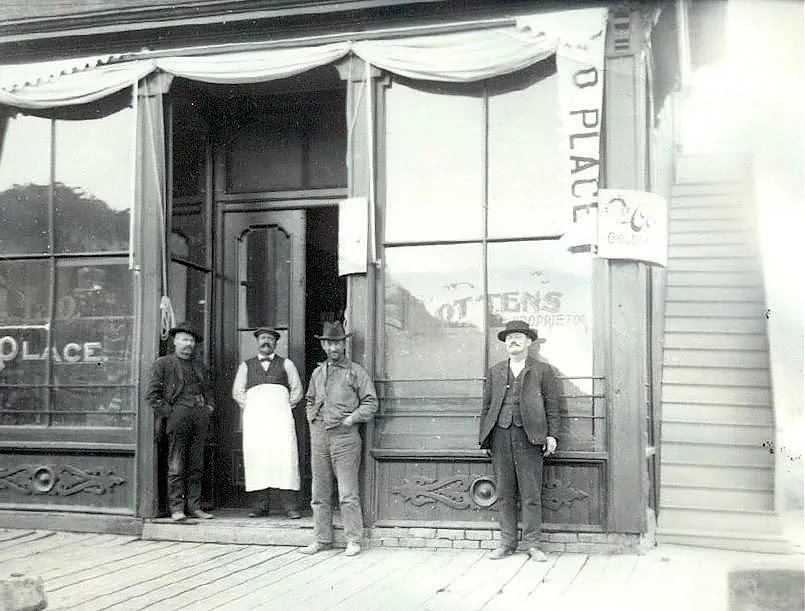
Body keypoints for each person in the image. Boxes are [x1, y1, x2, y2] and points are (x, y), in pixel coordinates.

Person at [479, 319, 560, 561]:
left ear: (529, 341)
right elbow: (486, 407)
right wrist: (484, 439)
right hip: (500, 436)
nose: (512, 340)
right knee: (504, 492)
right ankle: (507, 542)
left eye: (518, 336)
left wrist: (552, 435)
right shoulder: (495, 371)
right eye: (509, 337)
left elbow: (552, 406)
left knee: (530, 493)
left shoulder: (542, 371)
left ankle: (533, 544)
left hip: (530, 437)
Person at [300, 321, 378, 557]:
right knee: (319, 493)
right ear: (324, 345)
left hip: (345, 438)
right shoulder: (317, 372)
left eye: (338, 343)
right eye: (330, 343)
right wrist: (312, 419)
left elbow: (371, 402)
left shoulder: (356, 371)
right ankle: (322, 539)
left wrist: (352, 418)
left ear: (344, 344)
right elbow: (310, 399)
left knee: (347, 493)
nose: (334, 348)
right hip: (320, 437)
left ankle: (353, 540)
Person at [231, 327, 304, 519]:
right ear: (257, 341)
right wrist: (254, 408)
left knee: (284, 458)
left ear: (276, 343)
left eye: (270, 339)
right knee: (258, 459)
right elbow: (237, 392)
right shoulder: (246, 366)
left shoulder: (286, 364)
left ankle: (290, 506)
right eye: (263, 338)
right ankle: (260, 506)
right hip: (257, 422)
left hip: (280, 419)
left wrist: (284, 406)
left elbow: (297, 389)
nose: (266, 341)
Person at [147, 322, 215, 522]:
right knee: (176, 465)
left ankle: (194, 507)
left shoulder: (200, 366)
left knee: (196, 465)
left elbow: (209, 391)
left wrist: (209, 408)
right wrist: (172, 413)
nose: (189, 344)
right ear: (175, 341)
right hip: (177, 421)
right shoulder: (163, 364)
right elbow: (152, 396)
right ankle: (176, 508)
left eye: (192, 340)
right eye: (184, 339)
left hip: (199, 419)